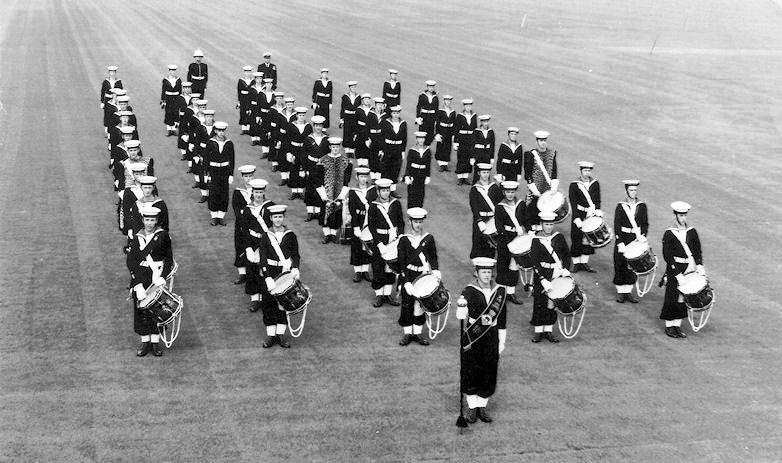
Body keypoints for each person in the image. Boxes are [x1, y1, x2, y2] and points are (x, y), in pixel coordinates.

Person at [455, 257, 507, 423]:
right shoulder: (468, 291)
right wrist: (461, 310)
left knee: (488, 371)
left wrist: (502, 339)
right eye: (483, 272)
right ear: (476, 273)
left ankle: (482, 407)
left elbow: (503, 319)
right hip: (473, 337)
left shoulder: (499, 292)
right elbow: (460, 316)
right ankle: (472, 407)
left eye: (489, 272)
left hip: (492, 336)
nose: (486, 275)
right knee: (472, 370)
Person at [126, 205, 174, 357]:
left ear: (156, 221)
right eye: (147, 220)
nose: (149, 223)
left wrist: (163, 276)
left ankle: (155, 343)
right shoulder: (137, 237)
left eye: (152, 220)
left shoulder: (163, 235)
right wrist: (137, 284)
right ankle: (145, 343)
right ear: (143, 220)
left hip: (156, 276)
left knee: (157, 310)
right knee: (141, 310)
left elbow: (168, 259)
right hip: (141, 277)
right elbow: (131, 262)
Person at [258, 205, 301, 348]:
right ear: (271, 218)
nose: (278, 220)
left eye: (280, 217)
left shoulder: (290, 235)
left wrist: (295, 268)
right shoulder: (266, 236)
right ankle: (271, 335)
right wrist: (267, 276)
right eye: (275, 217)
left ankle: (281, 335)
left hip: (285, 273)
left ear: (283, 218)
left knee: (284, 304)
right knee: (268, 303)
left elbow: (295, 254)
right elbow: (262, 257)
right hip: (269, 272)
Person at [660, 201, 704, 339]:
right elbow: (667, 255)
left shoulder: (692, 231)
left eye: (685, 215)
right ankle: (669, 326)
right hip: (675, 269)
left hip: (689, 268)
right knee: (672, 297)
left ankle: (677, 326)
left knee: (683, 299)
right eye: (681, 215)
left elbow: (697, 250)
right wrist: (677, 273)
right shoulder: (669, 233)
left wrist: (700, 265)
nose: (683, 218)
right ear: (675, 216)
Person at [398, 207, 441, 346]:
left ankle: (417, 334)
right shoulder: (404, 240)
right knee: (407, 305)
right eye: (415, 222)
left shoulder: (428, 239)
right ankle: (407, 334)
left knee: (420, 305)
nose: (418, 225)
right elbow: (402, 263)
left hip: (422, 275)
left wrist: (435, 271)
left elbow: (433, 257)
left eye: (420, 222)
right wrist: (405, 282)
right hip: (409, 275)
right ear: (410, 222)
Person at [530, 211, 571, 343]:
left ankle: (548, 330)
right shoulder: (536, 240)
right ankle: (538, 332)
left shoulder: (559, 237)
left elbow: (566, 255)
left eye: (551, 224)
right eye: (546, 224)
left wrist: (565, 269)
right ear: (542, 224)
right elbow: (534, 262)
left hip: (556, 273)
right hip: (542, 274)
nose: (549, 227)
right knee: (539, 302)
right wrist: (542, 279)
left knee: (552, 303)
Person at [367, 178, 405, 307]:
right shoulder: (373, 206)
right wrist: (378, 243)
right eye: (383, 191)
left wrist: (400, 236)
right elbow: (371, 226)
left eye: (387, 190)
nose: (385, 193)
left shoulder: (396, 204)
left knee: (391, 268)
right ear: (378, 191)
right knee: (378, 267)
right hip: (380, 240)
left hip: (393, 239)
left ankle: (388, 294)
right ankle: (379, 295)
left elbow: (400, 222)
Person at [239, 179, 274, 313]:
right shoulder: (248, 210)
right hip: (253, 242)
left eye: (260, 192)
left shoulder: (270, 207)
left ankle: (265, 298)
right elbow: (245, 229)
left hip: (266, 242)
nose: (258, 195)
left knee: (265, 270)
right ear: (252, 193)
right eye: (256, 192)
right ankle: (255, 299)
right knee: (252, 271)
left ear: (264, 192)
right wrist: (248, 248)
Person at [613, 180, 648, 303]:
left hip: (635, 238)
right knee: (620, 264)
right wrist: (620, 242)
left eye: (635, 190)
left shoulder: (642, 206)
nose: (633, 192)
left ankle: (628, 291)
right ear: (626, 191)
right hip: (624, 237)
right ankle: (621, 292)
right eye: (631, 190)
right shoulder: (621, 206)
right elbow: (617, 224)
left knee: (632, 265)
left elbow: (645, 223)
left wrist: (643, 236)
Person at [495, 180, 529, 304]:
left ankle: (511, 292)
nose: (510, 194)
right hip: (505, 240)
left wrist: (528, 231)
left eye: (512, 192)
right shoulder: (500, 207)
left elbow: (526, 220)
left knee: (514, 266)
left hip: (518, 238)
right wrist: (507, 241)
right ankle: (501, 293)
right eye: (508, 192)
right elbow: (499, 227)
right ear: (504, 192)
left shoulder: (521, 204)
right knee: (503, 264)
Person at [314, 137, 353, 243]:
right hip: (326, 192)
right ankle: (327, 234)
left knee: (337, 212)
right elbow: (318, 178)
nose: (335, 149)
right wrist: (323, 195)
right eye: (333, 147)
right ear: (330, 147)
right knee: (325, 212)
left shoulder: (345, 161)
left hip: (339, 192)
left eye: (337, 147)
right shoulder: (323, 160)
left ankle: (333, 233)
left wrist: (343, 193)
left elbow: (347, 179)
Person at [569, 161, 602, 273]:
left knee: (588, 239)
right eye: (585, 170)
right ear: (581, 171)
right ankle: (576, 263)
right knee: (576, 237)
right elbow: (573, 203)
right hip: (579, 213)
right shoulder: (574, 184)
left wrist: (597, 211)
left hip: (590, 214)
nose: (587, 173)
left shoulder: (595, 183)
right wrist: (576, 218)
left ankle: (584, 262)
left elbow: (597, 200)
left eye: (588, 170)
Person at [524, 130, 559, 231]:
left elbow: (554, 172)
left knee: (546, 217)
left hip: (547, 191)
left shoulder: (552, 154)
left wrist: (553, 187)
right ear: (537, 141)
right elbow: (528, 174)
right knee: (532, 213)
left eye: (544, 140)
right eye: (541, 140)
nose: (543, 143)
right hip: (535, 191)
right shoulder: (530, 154)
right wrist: (534, 190)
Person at [348, 167, 376, 282]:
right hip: (358, 222)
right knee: (356, 247)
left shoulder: (372, 190)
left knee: (368, 246)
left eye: (365, 177)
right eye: (361, 177)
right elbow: (352, 209)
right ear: (357, 177)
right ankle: (358, 271)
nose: (363, 179)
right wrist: (355, 226)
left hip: (369, 222)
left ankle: (365, 270)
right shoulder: (353, 191)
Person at [205, 121, 235, 226]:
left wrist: (231, 174)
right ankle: (214, 217)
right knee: (213, 193)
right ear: (215, 131)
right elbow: (206, 159)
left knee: (223, 193)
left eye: (223, 130)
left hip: (224, 171)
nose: (221, 133)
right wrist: (206, 174)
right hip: (213, 170)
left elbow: (232, 159)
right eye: (219, 130)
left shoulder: (229, 143)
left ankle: (221, 216)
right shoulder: (210, 142)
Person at [231, 165, 257, 285]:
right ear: (242, 178)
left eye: (250, 176)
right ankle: (242, 273)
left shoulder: (257, 190)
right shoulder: (238, 192)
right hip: (242, 224)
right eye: (246, 177)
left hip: (255, 225)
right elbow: (236, 209)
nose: (248, 179)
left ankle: (253, 272)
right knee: (240, 247)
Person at [303, 115, 330, 221]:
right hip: (311, 166)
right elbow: (304, 155)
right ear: (313, 126)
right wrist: (304, 169)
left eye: (320, 126)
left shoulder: (326, 139)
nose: (318, 128)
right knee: (310, 188)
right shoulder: (308, 139)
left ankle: (318, 212)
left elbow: (328, 154)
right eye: (316, 126)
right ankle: (310, 212)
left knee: (320, 188)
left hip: (322, 167)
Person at [469, 163, 496, 259]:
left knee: (491, 244)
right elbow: (474, 206)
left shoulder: (494, 187)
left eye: (488, 172)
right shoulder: (475, 189)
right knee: (478, 242)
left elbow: (498, 202)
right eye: (484, 172)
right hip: (480, 219)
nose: (486, 175)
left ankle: (489, 265)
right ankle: (478, 268)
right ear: (479, 173)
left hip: (491, 218)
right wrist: (479, 220)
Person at [380, 105, 408, 198]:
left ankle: (392, 190)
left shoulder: (403, 123)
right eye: (394, 113)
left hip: (398, 149)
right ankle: (383, 189)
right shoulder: (386, 122)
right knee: (386, 168)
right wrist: (382, 149)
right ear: (391, 113)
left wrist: (403, 150)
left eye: (397, 113)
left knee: (396, 169)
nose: (396, 115)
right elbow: (382, 137)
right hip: (388, 148)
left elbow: (405, 138)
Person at [287, 107, 312, 200]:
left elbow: (310, 140)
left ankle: (300, 191)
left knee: (302, 169)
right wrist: (289, 153)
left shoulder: (308, 126)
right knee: (293, 169)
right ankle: (294, 191)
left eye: (303, 115)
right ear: (296, 115)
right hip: (294, 149)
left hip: (304, 150)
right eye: (300, 115)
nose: (301, 117)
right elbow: (288, 139)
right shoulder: (291, 125)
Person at [192, 106, 215, 202]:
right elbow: (196, 141)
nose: (209, 119)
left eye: (210, 117)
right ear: (204, 117)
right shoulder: (200, 127)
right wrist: (195, 155)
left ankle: (213, 193)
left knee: (213, 173)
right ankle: (204, 194)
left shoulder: (217, 128)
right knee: (202, 173)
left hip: (213, 153)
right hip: (202, 152)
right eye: (207, 117)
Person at [403, 131, 431, 208]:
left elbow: (428, 164)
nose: (421, 140)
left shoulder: (427, 150)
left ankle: (419, 208)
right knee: (412, 192)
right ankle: (411, 208)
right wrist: (407, 175)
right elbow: (408, 164)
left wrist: (428, 176)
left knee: (421, 192)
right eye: (419, 138)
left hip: (422, 173)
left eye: (422, 138)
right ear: (416, 139)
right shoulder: (412, 150)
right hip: (413, 173)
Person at [454, 98, 477, 185]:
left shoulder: (474, 115)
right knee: (461, 156)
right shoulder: (460, 116)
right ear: (464, 106)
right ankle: (460, 177)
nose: (468, 107)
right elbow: (456, 129)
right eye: (467, 106)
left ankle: (466, 176)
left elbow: (475, 128)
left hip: (470, 138)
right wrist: (456, 142)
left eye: (470, 106)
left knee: (469, 156)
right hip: (462, 138)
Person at [434, 95, 455, 172]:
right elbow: (437, 122)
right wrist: (437, 133)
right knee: (441, 146)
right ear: (444, 101)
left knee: (447, 146)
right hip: (442, 130)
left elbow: (454, 123)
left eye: (449, 101)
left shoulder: (453, 111)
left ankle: (445, 164)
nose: (448, 102)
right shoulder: (440, 110)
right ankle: (441, 164)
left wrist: (453, 134)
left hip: (449, 130)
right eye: (446, 100)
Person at [471, 114, 495, 183]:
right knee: (478, 170)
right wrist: (472, 157)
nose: (485, 124)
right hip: (478, 153)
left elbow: (492, 145)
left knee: (487, 170)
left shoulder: (491, 132)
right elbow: (472, 144)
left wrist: (492, 157)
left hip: (487, 153)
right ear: (481, 122)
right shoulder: (476, 131)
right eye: (484, 122)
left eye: (487, 122)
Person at [367, 97, 387, 179]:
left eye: (381, 105)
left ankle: (378, 174)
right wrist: (367, 138)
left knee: (380, 156)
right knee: (372, 155)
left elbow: (386, 128)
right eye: (378, 104)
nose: (379, 106)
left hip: (381, 137)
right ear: (375, 105)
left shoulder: (385, 115)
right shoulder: (371, 114)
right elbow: (367, 127)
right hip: (372, 137)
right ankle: (372, 174)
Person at [160, 64, 182, 136]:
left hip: (176, 98)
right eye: (171, 71)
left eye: (174, 71)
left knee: (175, 112)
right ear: (169, 71)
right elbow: (163, 90)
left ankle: (174, 129)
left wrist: (181, 99)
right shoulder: (165, 80)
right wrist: (163, 100)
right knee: (168, 113)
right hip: (168, 98)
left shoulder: (178, 80)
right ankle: (169, 129)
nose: (172, 72)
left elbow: (180, 91)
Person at [340, 81, 360, 156]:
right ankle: (347, 149)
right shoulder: (345, 96)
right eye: (352, 87)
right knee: (347, 132)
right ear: (349, 88)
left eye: (354, 87)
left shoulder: (358, 97)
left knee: (353, 132)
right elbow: (342, 108)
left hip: (355, 116)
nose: (353, 88)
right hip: (347, 116)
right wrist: (342, 119)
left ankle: (351, 150)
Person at [415, 80, 439, 145]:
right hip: (424, 117)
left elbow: (436, 109)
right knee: (422, 134)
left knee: (430, 134)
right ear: (427, 87)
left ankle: (427, 148)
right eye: (430, 87)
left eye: (432, 87)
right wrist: (418, 117)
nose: (431, 88)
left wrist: (436, 119)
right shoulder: (422, 96)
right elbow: (419, 106)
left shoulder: (435, 97)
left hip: (432, 117)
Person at [354, 93, 374, 167]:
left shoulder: (372, 110)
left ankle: (365, 163)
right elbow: (355, 122)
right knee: (359, 145)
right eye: (365, 99)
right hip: (360, 130)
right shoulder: (359, 109)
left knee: (367, 146)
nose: (367, 101)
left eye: (368, 99)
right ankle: (360, 162)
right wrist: (355, 133)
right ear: (362, 100)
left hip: (368, 130)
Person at [236, 65, 255, 134]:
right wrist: (239, 101)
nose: (248, 73)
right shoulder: (241, 80)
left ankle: (249, 127)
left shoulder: (253, 81)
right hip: (243, 98)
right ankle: (244, 128)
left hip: (250, 98)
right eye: (246, 72)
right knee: (243, 112)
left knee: (250, 111)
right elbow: (239, 90)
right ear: (244, 72)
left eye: (249, 72)